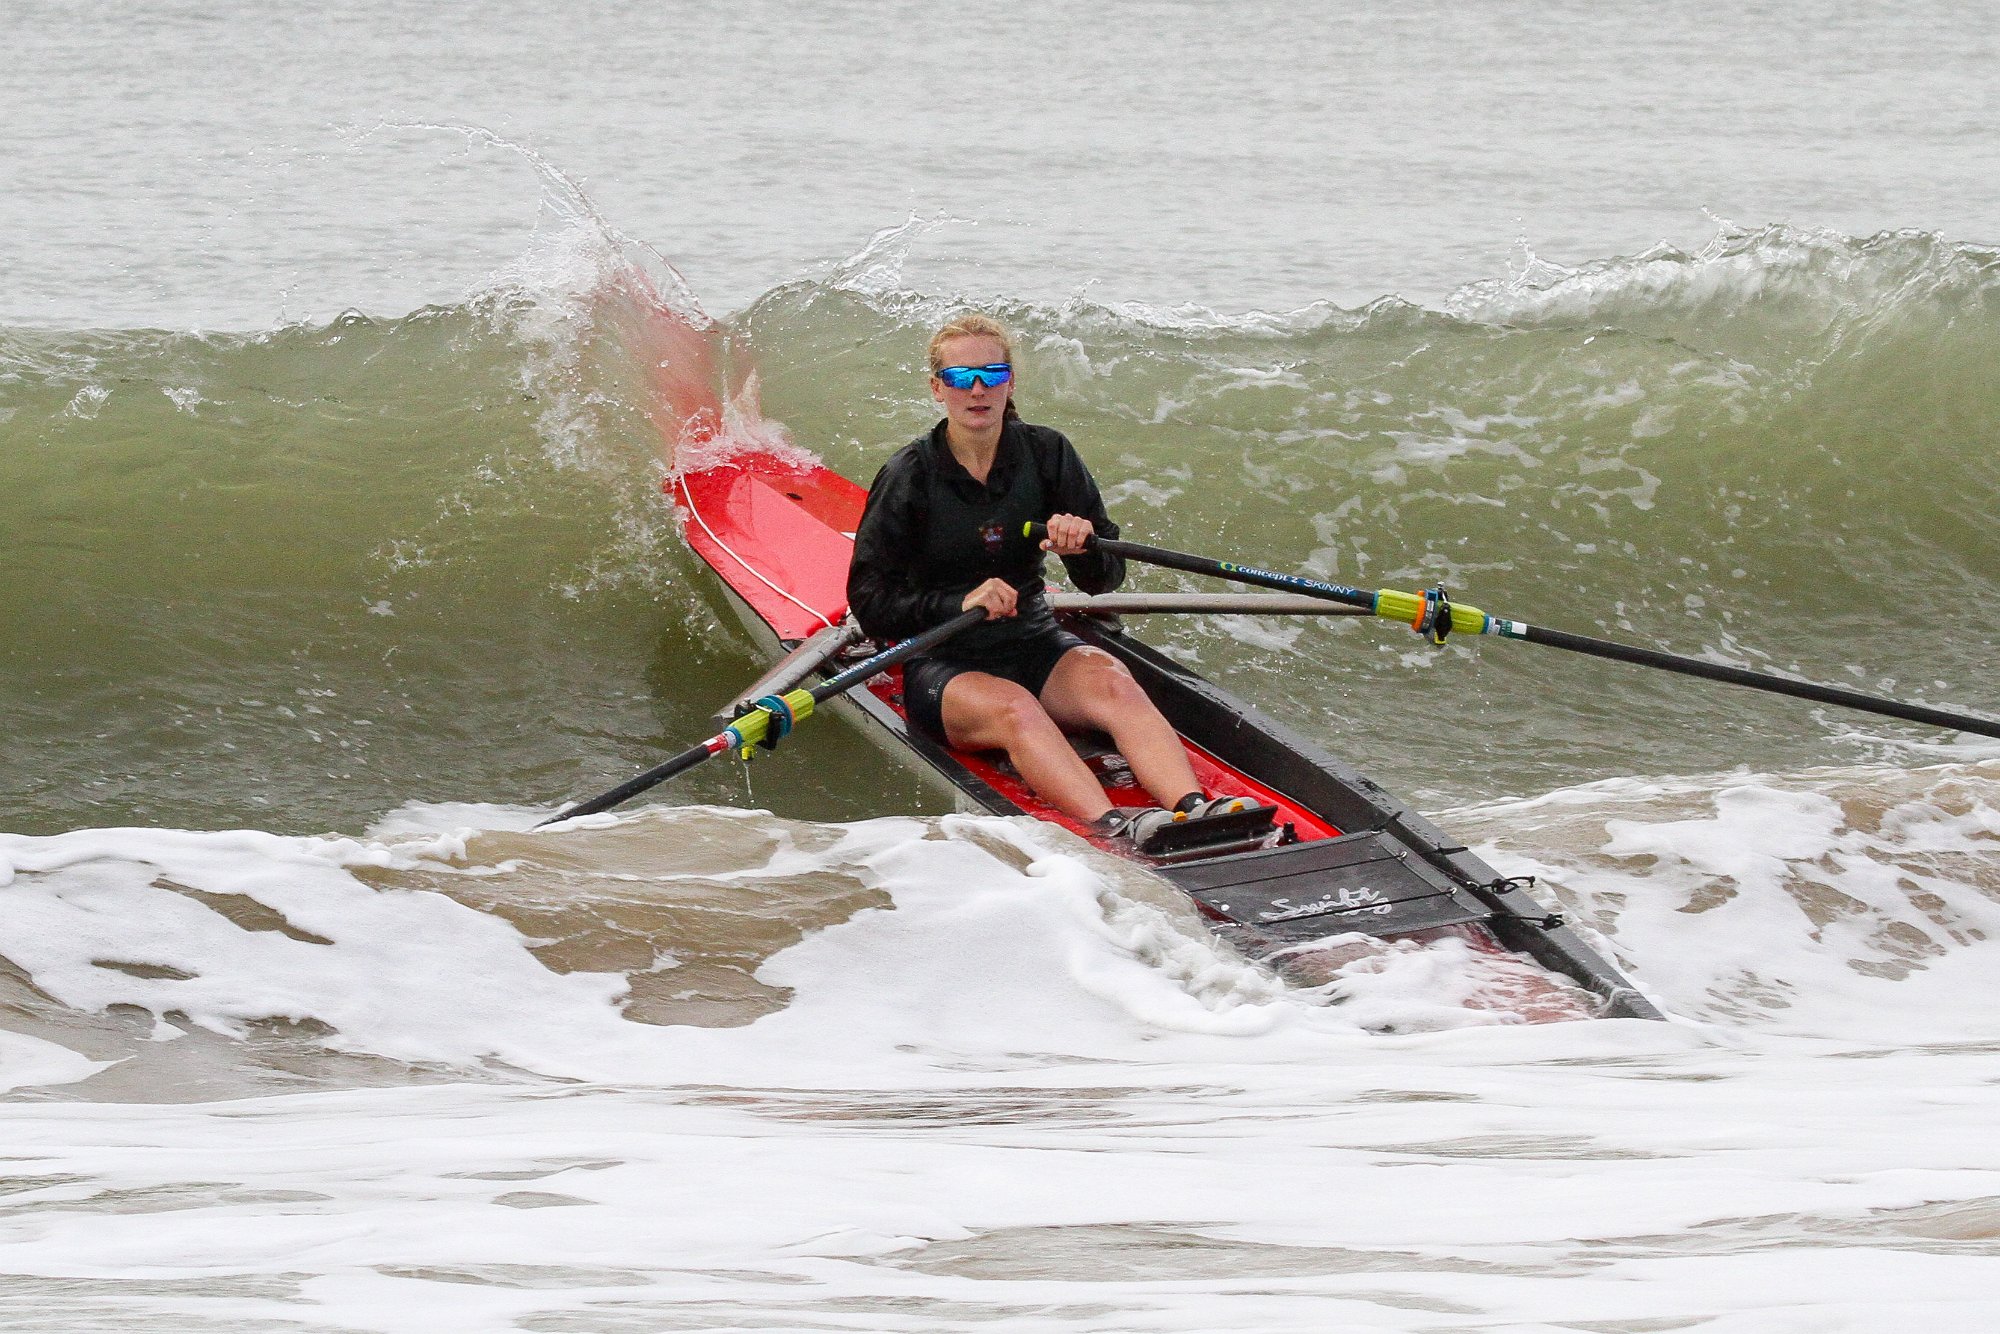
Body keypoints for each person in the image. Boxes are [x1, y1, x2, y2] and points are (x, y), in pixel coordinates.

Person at [845, 312, 1246, 841]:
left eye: (992, 373)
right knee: (1016, 708)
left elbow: (1104, 579)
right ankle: (1117, 831)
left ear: (1011, 381)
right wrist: (959, 603)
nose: (978, 389)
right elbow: (869, 601)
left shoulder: (1047, 452)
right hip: (944, 662)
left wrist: (1079, 550)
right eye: (962, 378)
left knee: (1112, 681)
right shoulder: (910, 476)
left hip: (1033, 644)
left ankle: (1195, 809)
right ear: (937, 388)